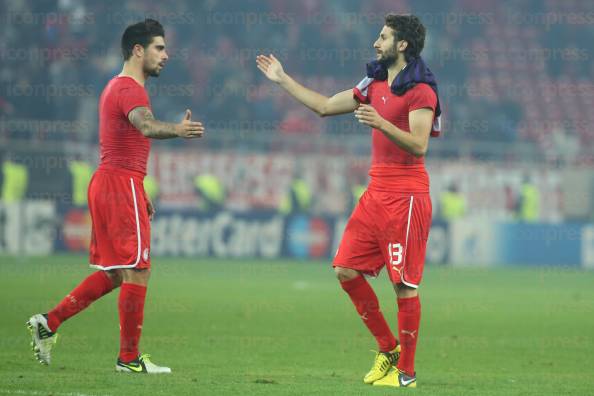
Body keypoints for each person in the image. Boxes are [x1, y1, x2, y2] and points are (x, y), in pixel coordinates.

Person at [257, 13, 440, 388]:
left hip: (406, 197)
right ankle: (387, 348)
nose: (376, 42)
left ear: (402, 45)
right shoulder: (373, 82)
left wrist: (381, 122)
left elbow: (419, 145)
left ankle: (407, 374)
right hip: (375, 194)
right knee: (345, 269)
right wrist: (283, 80)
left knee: (403, 285)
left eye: (383, 37)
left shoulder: (421, 89)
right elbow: (324, 106)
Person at [27, 19, 205, 374]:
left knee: (116, 273)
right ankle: (128, 359)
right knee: (137, 271)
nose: (166, 55)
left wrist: (138, 188)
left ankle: (50, 322)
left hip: (115, 182)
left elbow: (128, 143)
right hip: (118, 183)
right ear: (137, 50)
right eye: (159, 48)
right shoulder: (129, 89)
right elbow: (146, 126)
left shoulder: (117, 87)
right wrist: (179, 130)